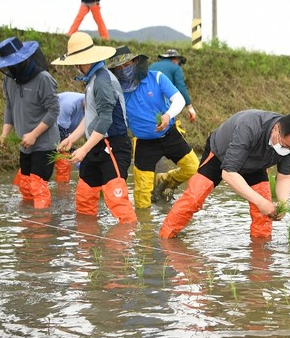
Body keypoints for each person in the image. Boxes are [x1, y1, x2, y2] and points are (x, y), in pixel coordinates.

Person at [159, 110, 290, 239]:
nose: (287, 150)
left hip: (256, 165)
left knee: (264, 215)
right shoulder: (250, 126)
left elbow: (284, 177)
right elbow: (228, 173)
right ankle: (165, 240)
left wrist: (283, 204)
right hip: (220, 156)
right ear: (276, 129)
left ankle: (260, 258)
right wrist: (260, 202)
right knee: (193, 198)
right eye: (284, 145)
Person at [53, 32, 135, 223]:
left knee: (117, 202)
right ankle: (87, 246)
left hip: (112, 146)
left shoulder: (103, 81)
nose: (75, 66)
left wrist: (83, 149)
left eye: (75, 62)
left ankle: (124, 249)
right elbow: (91, 116)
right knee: (84, 197)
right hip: (96, 146)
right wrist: (72, 138)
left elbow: (105, 120)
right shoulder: (92, 79)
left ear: (83, 60)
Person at [105, 48, 199, 209]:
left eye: (126, 65)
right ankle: (144, 230)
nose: (123, 70)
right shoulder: (117, 90)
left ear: (135, 63)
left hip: (170, 135)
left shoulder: (156, 77)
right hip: (144, 143)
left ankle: (165, 180)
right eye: (118, 68)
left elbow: (178, 99)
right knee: (142, 195)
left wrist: (168, 115)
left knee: (193, 168)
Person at [0, 37, 60, 209]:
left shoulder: (44, 79)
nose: (11, 68)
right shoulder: (9, 80)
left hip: (44, 144)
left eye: (14, 64)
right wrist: (4, 134)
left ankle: (41, 232)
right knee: (26, 185)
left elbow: (54, 111)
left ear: (25, 59)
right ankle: (30, 226)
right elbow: (9, 106)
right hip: (25, 144)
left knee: (38, 186)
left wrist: (34, 135)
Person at [150, 49, 197, 122]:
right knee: (164, 122)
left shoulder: (152, 65)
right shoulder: (176, 68)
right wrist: (190, 107)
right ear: (175, 59)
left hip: (148, 97)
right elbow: (181, 87)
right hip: (163, 100)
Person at [54, 91, 85, 183]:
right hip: (48, 129)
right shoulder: (68, 104)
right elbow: (62, 134)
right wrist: (75, 154)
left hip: (66, 134)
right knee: (63, 162)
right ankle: (62, 194)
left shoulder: (97, 109)